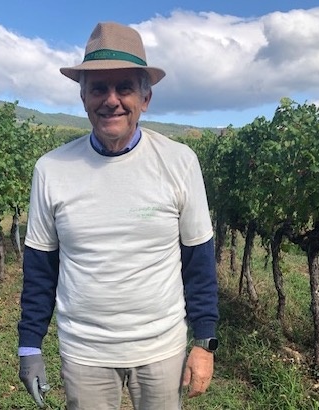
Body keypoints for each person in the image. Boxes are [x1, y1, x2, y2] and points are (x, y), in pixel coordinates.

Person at [18, 21, 219, 410]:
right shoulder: (51, 169)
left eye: (124, 87)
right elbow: (40, 268)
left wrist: (204, 341)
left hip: (162, 348)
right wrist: (30, 345)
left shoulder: (179, 162)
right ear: (83, 98)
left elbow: (199, 260)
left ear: (145, 98)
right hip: (84, 351)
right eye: (98, 89)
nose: (111, 100)